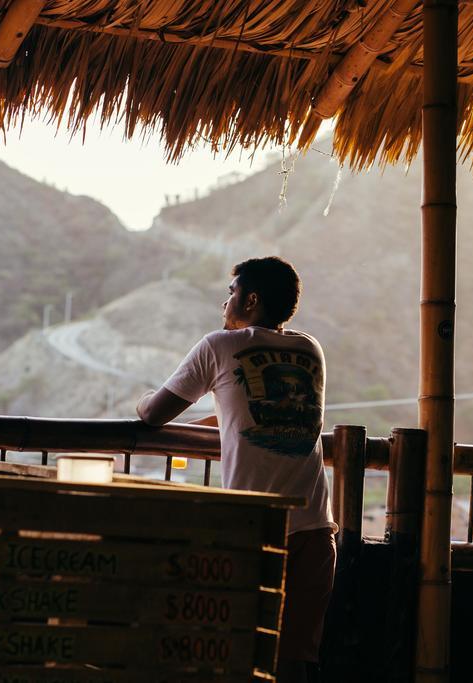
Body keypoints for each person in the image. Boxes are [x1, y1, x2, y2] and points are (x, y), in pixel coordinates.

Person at [137, 256, 336, 683]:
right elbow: (259, 414)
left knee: (238, 653)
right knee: (294, 663)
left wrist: (140, 400)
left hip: (255, 529)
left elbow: (155, 415)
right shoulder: (309, 349)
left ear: (251, 299)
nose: (224, 302)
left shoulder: (219, 346)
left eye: (231, 293)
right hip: (317, 532)